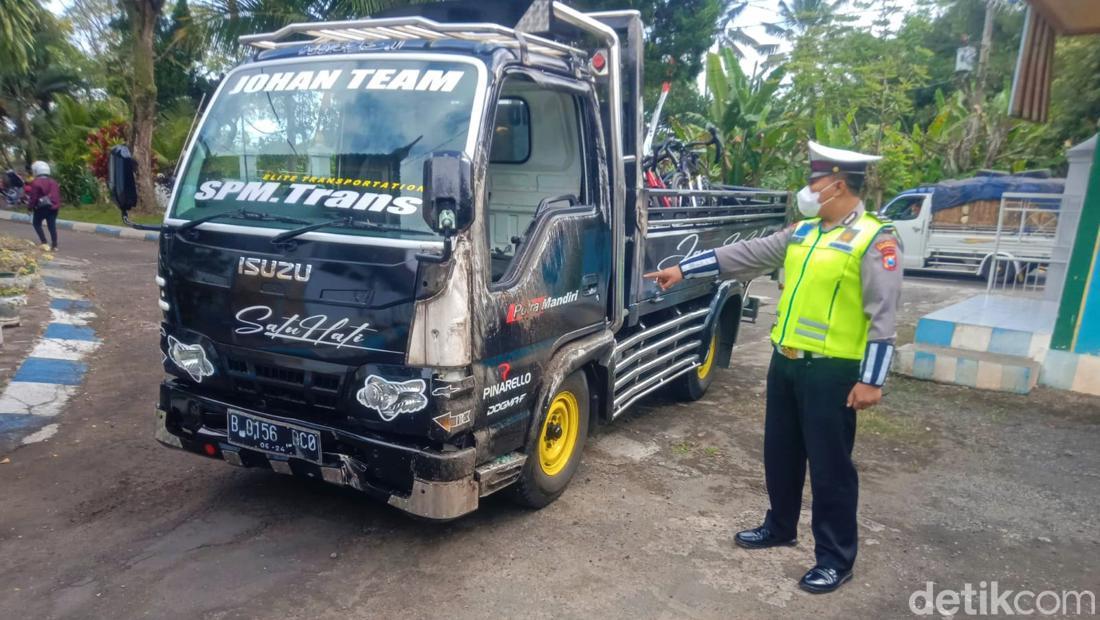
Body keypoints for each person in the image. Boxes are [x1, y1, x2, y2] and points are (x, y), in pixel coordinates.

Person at [645, 141, 903, 594]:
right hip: (785, 362)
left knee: (830, 468)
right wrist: (685, 269)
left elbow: (884, 312)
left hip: (832, 370)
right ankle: (780, 526)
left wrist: (872, 379)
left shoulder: (874, 238)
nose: (808, 188)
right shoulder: (804, 232)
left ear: (838, 184)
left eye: (814, 181)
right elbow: (747, 253)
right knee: (780, 454)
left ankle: (835, 558)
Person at [26, 161, 62, 251]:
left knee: (36, 223)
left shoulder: (36, 182)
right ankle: (54, 245)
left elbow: (33, 197)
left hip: (41, 208)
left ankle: (44, 242)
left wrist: (30, 208)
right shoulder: (53, 182)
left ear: (36, 171)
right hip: (54, 207)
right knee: (52, 226)